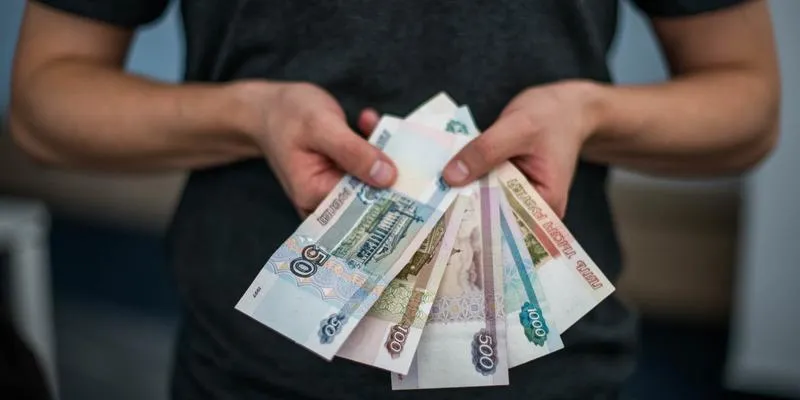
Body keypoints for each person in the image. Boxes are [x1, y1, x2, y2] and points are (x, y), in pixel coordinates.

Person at [8, 0, 779, 398]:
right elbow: (46, 99)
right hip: (251, 365)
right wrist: (250, 114)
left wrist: (590, 113)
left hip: (551, 369)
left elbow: (748, 102)